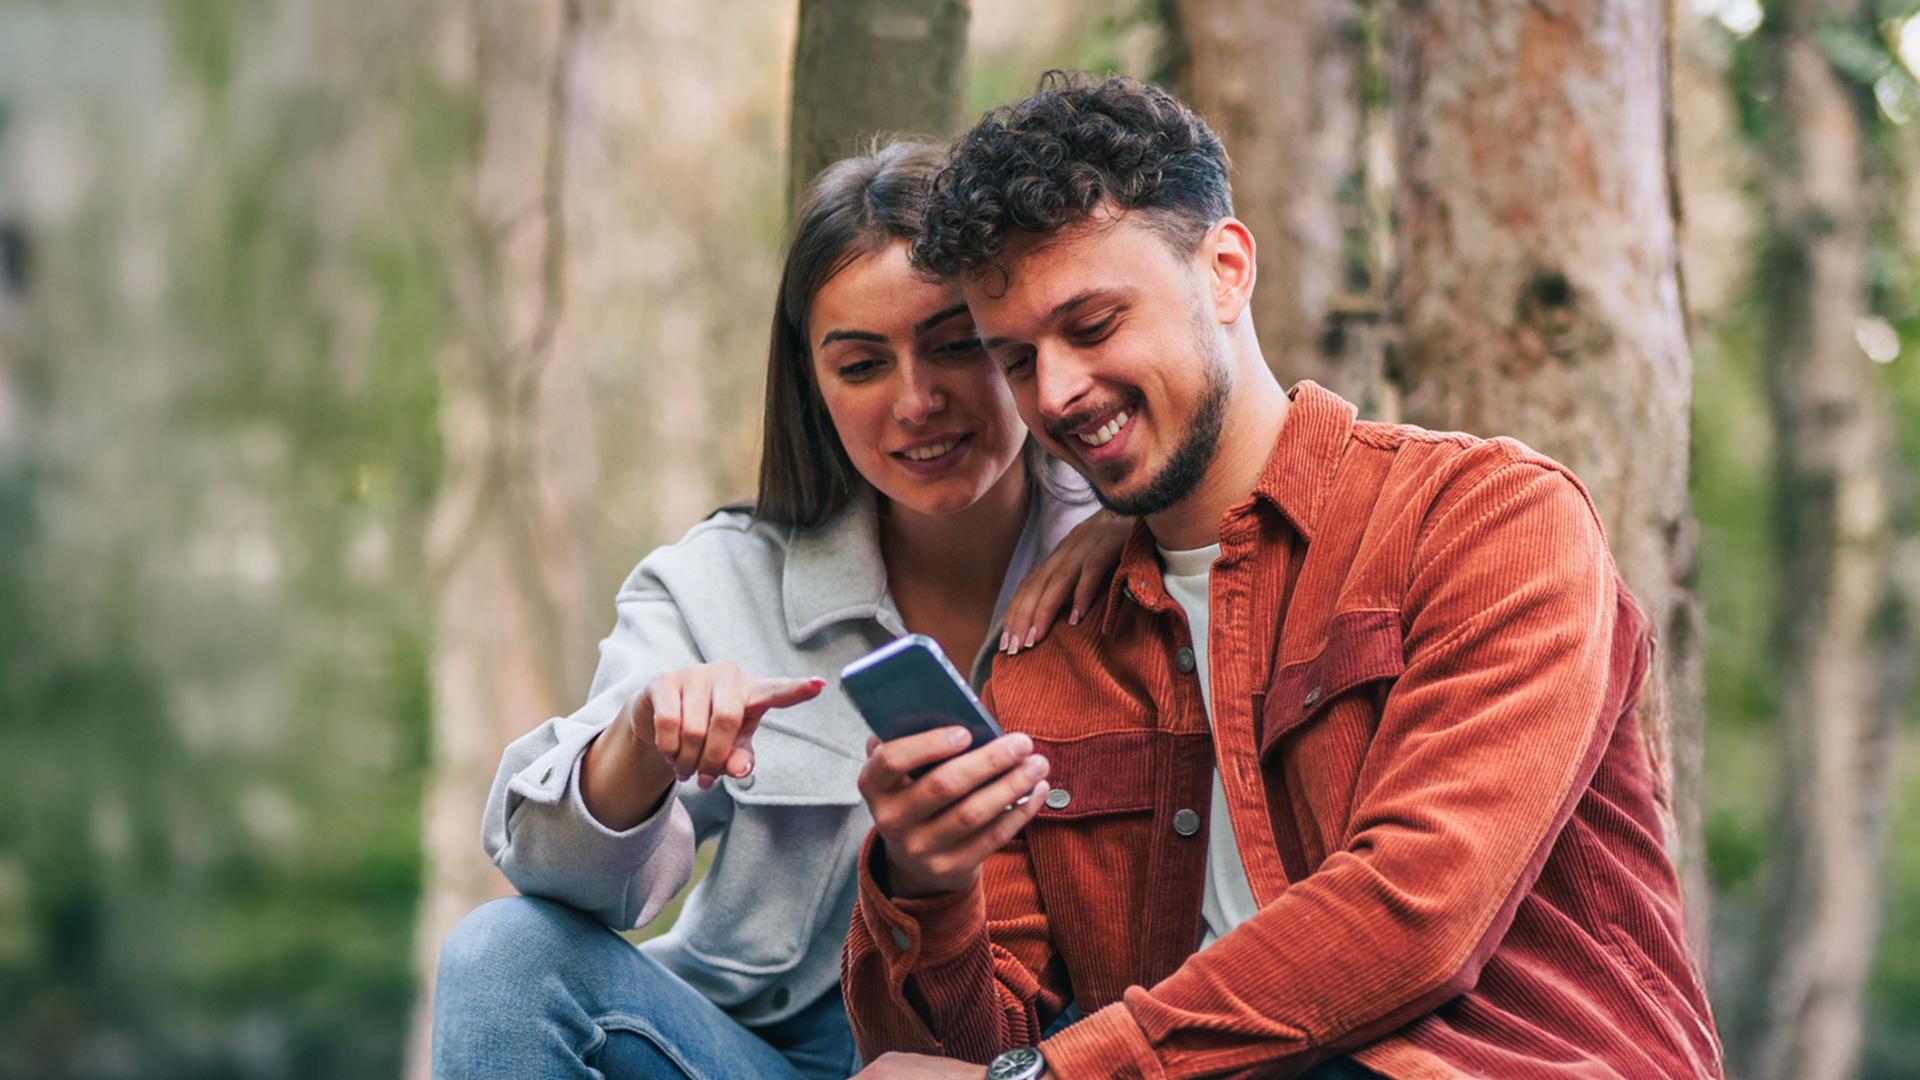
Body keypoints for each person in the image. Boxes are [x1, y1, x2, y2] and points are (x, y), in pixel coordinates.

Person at [841, 76, 1723, 1080]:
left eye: (1092, 327)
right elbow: (947, 1057)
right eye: (1015, 360)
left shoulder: (1489, 520)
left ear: (1225, 270)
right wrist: (924, 880)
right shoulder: (1052, 653)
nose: (1057, 393)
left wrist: (1057, 1076)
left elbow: (1415, 913)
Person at [430, 141, 1127, 1080]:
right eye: (861, 365)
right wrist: (640, 748)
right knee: (501, 954)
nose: (917, 401)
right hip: (765, 1057)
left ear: (1016, 339)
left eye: (955, 344)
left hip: (1056, 1061)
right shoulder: (717, 584)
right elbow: (548, 876)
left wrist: (1137, 520)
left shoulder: (1145, 542)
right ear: (813, 387)